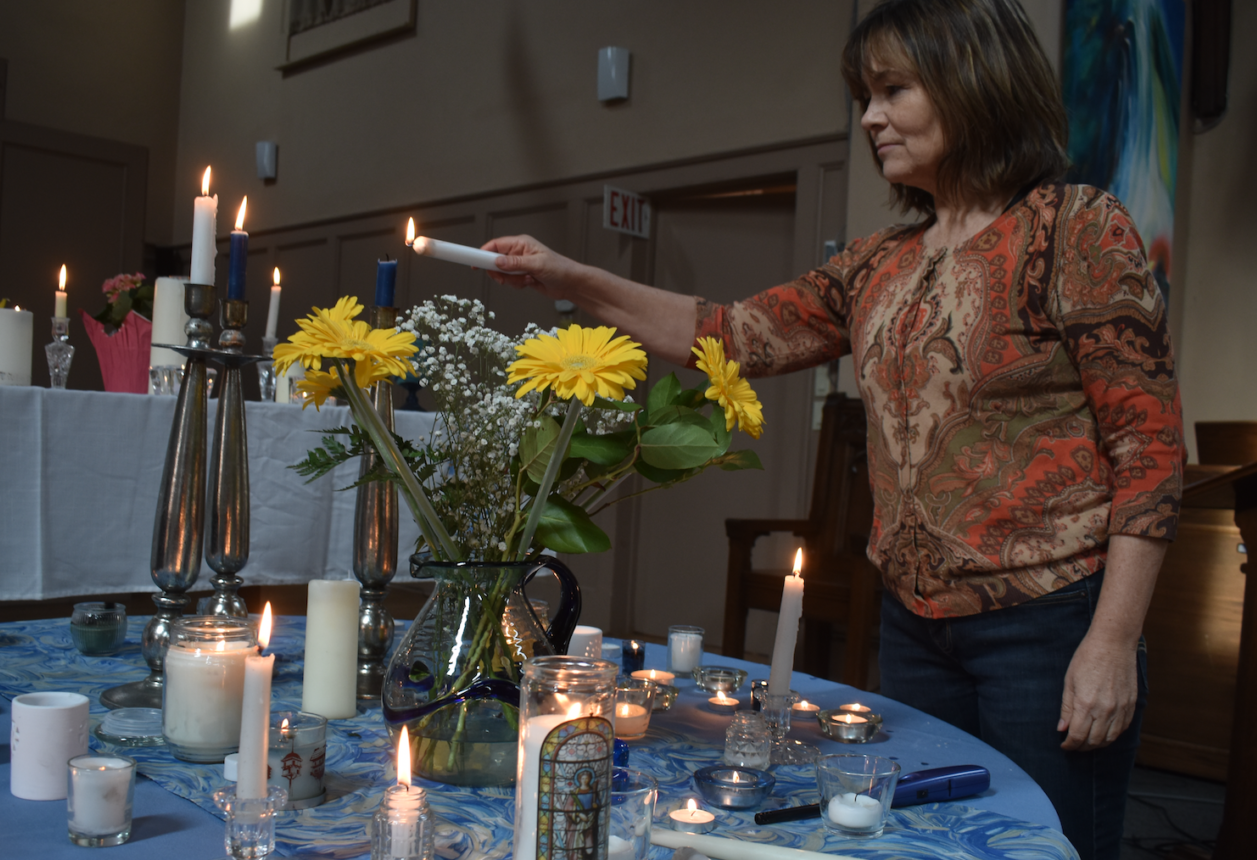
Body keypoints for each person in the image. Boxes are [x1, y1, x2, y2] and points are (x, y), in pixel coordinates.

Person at [480, 0, 1183, 857]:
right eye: (863, 95)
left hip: (1047, 626)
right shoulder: (878, 262)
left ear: (972, 83)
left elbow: (1148, 450)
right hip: (915, 625)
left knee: (1047, 846)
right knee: (928, 843)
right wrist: (568, 276)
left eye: (893, 90)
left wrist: (1112, 641)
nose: (870, 117)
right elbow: (726, 332)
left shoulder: (1075, 226)